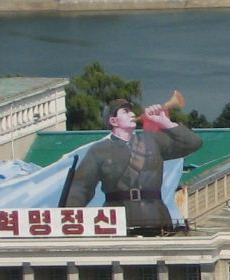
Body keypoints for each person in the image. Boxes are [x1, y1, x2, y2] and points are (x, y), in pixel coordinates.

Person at [60, 96, 202, 229]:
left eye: (132, 111)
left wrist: (164, 122)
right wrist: (67, 222)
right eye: (126, 112)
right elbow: (80, 189)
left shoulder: (153, 141)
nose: (132, 115)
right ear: (113, 121)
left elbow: (193, 143)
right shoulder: (99, 150)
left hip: (155, 215)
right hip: (118, 218)